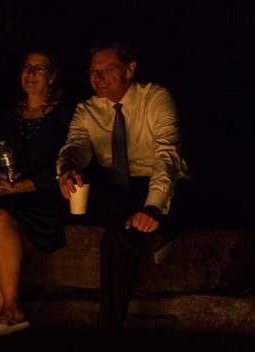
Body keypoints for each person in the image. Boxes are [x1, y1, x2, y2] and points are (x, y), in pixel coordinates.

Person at [57, 41, 189, 332]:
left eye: (107, 69)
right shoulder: (87, 110)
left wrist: (152, 206)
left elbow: (167, 157)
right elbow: (75, 146)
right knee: (85, 196)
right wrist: (67, 168)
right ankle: (147, 232)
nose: (98, 77)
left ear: (130, 69)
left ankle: (107, 329)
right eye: (93, 70)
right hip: (118, 190)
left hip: (156, 182)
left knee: (121, 235)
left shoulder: (155, 99)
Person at [0, 49, 73, 337]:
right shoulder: (7, 116)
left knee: (2, 214)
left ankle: (7, 310)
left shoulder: (65, 117)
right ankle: (5, 314)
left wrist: (16, 187)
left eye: (39, 69)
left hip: (46, 196)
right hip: (11, 195)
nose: (30, 74)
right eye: (27, 67)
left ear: (52, 76)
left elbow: (64, 165)